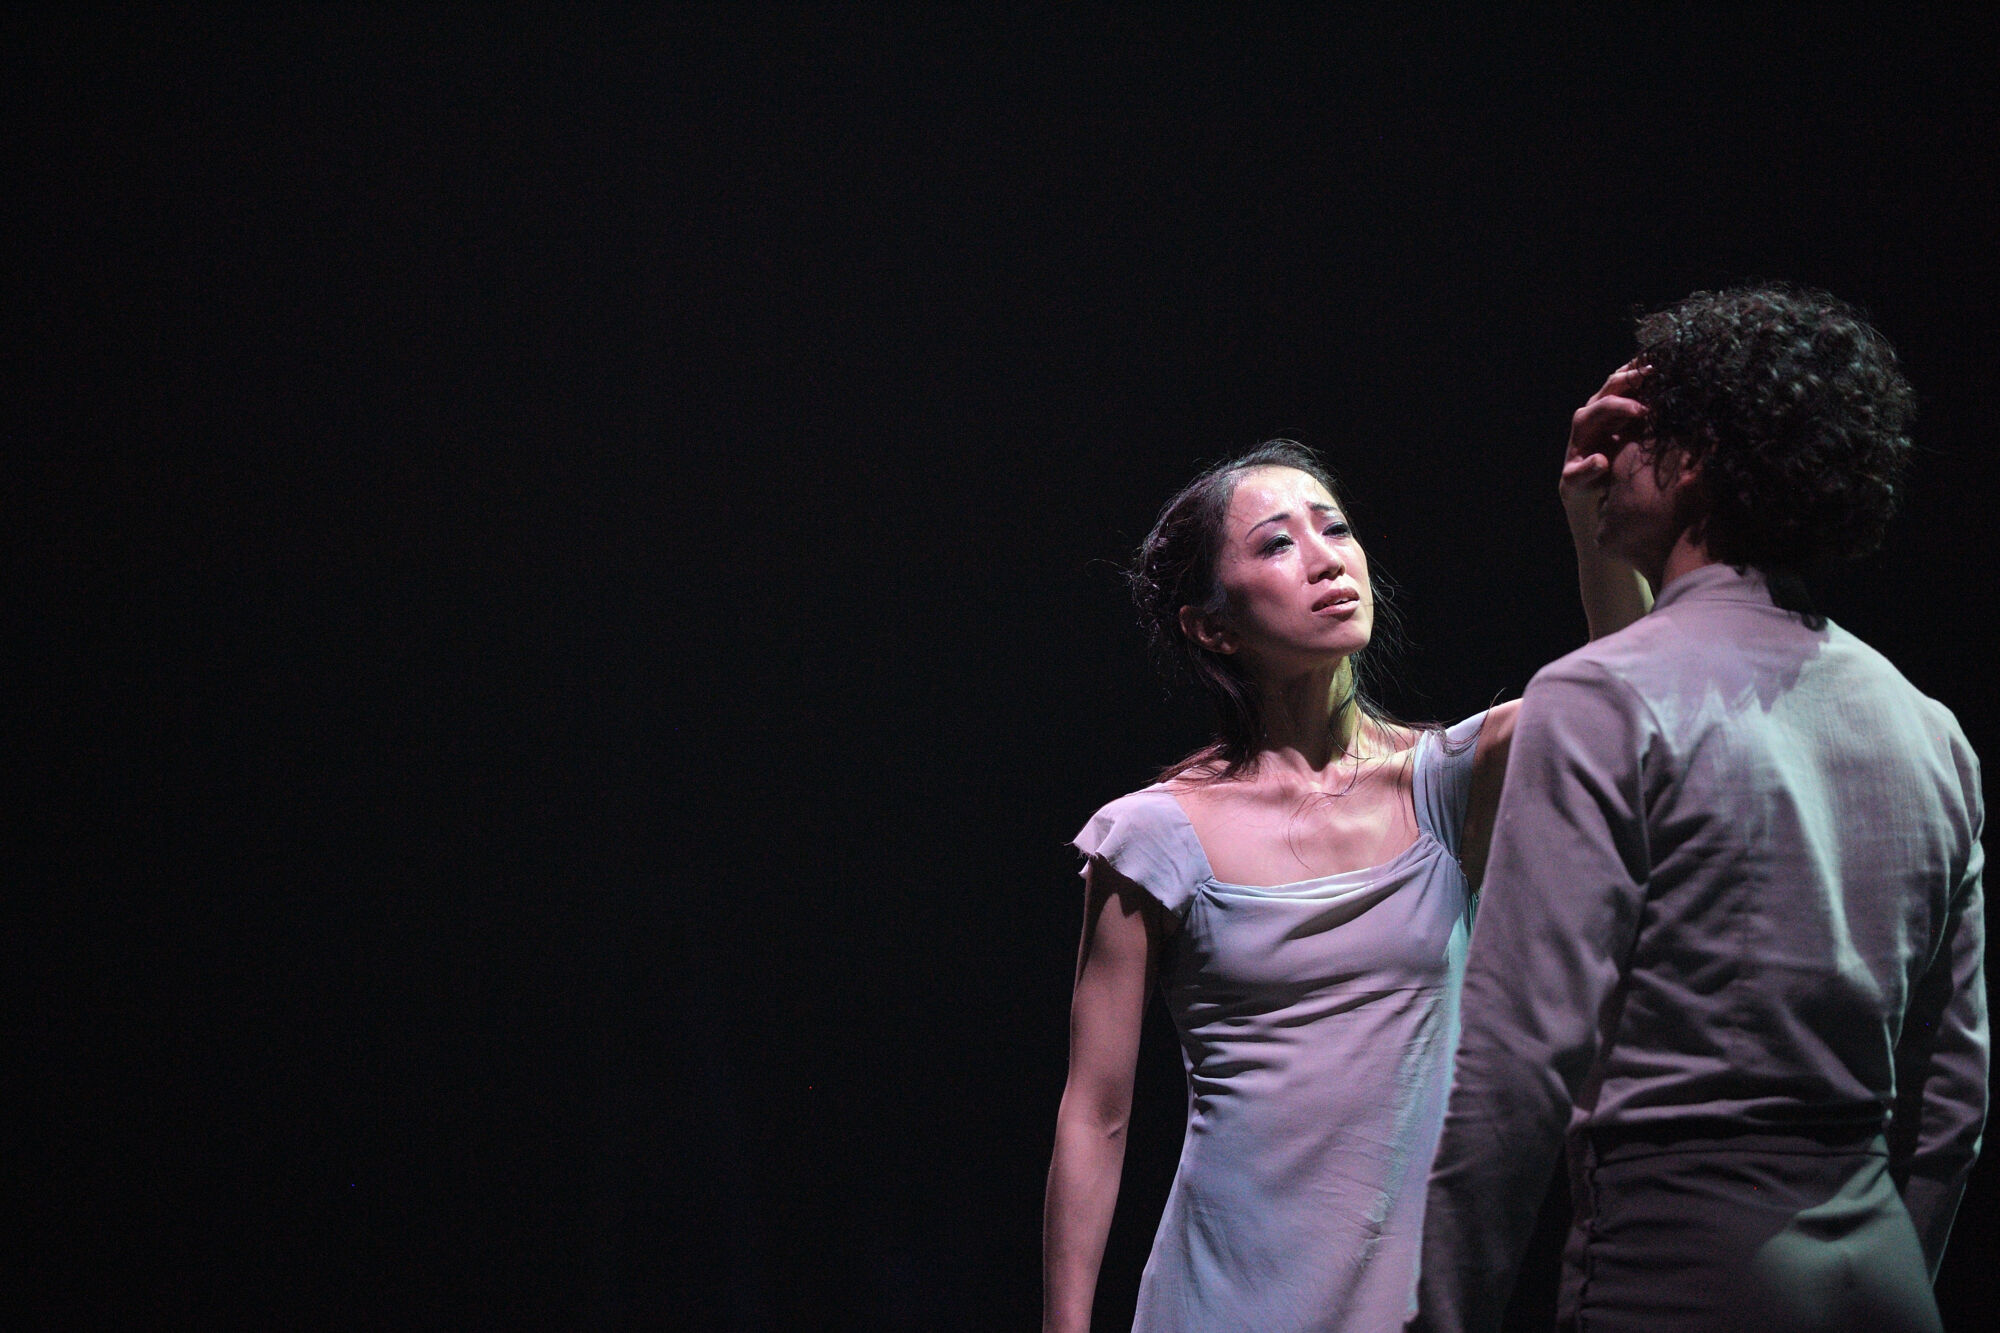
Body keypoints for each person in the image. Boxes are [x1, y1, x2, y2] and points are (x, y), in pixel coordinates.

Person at [1409, 286, 1987, 1333]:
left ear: (1697, 461)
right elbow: (1953, 1100)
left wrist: (1446, 1315)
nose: (1611, 451)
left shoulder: (1593, 697)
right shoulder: (1926, 726)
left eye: (1645, 432)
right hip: (1883, 1274)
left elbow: (1516, 1061)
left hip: (1678, 1267)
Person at [1042, 426, 1651, 1333]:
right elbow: (1095, 1114)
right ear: (1212, 624)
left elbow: (1626, 691)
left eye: (1335, 528)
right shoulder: (1153, 837)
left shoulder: (1446, 782)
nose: (1326, 559)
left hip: (1410, 1305)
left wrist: (1588, 519)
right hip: (1219, 1301)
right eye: (1278, 543)